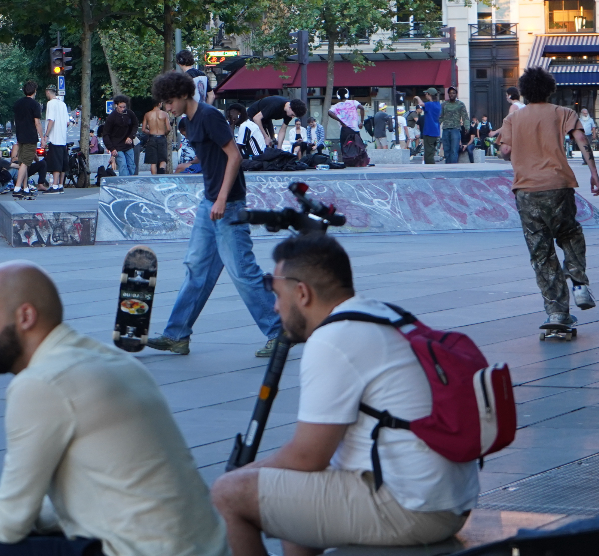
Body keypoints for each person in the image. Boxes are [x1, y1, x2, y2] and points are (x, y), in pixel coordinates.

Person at [0, 262, 230, 556]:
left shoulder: (42, 382)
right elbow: (55, 509)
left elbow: (8, 522)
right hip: (201, 548)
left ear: (25, 316)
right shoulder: (110, 360)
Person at [211, 234, 479, 556]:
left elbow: (307, 456)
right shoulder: (383, 315)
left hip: (411, 508)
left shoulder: (332, 339)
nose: (275, 307)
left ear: (302, 293)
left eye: (278, 296)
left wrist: (243, 474)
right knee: (291, 499)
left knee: (229, 492)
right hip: (448, 499)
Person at [146, 72, 282, 358]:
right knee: (196, 269)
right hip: (209, 204)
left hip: (228, 205)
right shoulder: (190, 122)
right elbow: (209, 156)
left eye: (169, 102)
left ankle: (279, 332)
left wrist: (221, 198)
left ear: (183, 95)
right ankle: (177, 335)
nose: (167, 108)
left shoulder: (209, 116)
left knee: (243, 272)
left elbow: (234, 156)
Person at [494, 67, 598, 326]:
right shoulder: (563, 113)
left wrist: (509, 152)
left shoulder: (513, 119)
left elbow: (505, 151)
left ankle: (557, 311)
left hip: (527, 191)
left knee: (540, 251)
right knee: (570, 234)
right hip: (559, 186)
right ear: (550, 89)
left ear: (524, 91)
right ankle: (578, 282)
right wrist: (594, 173)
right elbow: (581, 139)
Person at [11, 81, 45, 196]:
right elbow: (37, 123)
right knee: (25, 163)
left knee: (23, 162)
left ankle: (25, 187)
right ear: (34, 91)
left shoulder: (17, 103)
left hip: (20, 136)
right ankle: (17, 188)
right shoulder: (35, 104)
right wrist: (42, 137)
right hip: (30, 136)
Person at [101, 95, 138, 176]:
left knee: (131, 165)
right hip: (117, 147)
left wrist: (131, 136)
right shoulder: (112, 117)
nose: (122, 109)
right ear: (116, 105)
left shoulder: (129, 114)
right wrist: (111, 148)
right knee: (123, 165)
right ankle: (125, 182)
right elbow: (106, 134)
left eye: (124, 107)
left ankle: (129, 180)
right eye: (120, 107)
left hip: (128, 145)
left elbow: (135, 125)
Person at [43, 86, 69, 192]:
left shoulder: (50, 103)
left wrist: (46, 135)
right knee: (63, 163)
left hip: (55, 138)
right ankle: (60, 185)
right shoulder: (63, 104)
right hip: (63, 138)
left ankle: (54, 186)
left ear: (48, 92)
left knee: (55, 163)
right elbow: (67, 122)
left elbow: (51, 120)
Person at [411, 89, 442, 165]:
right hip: (436, 132)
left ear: (429, 94)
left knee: (428, 153)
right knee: (432, 152)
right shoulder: (438, 105)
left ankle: (430, 169)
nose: (425, 96)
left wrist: (417, 98)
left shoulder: (430, 105)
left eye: (426, 94)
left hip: (429, 131)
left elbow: (421, 104)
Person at [439, 87, 467, 165]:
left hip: (455, 129)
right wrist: (436, 125)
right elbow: (440, 117)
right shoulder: (444, 104)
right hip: (445, 129)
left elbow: (465, 117)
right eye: (450, 93)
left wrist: (467, 126)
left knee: (454, 150)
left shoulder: (460, 104)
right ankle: (447, 167)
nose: (451, 94)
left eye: (453, 93)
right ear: (448, 94)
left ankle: (453, 167)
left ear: (456, 94)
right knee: (447, 150)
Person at [142, 100, 171, 174]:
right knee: (163, 160)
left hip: (152, 138)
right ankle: (161, 175)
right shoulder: (165, 114)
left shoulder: (147, 114)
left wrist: (150, 132)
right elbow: (168, 128)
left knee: (153, 162)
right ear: (159, 104)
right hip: (161, 137)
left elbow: (143, 129)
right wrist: (164, 133)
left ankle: (154, 179)